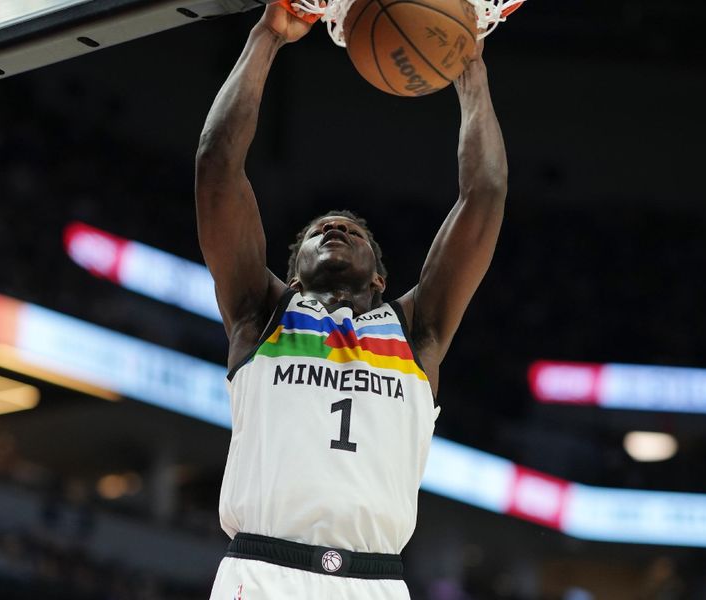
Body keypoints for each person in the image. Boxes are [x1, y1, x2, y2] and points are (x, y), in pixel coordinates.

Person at [195, 2, 507, 598]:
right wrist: (267, 35)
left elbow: (484, 194)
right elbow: (217, 164)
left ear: (381, 279)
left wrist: (470, 73)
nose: (333, 230)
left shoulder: (417, 333)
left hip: (375, 582)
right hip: (263, 572)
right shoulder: (262, 315)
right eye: (318, 231)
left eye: (352, 230)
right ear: (290, 271)